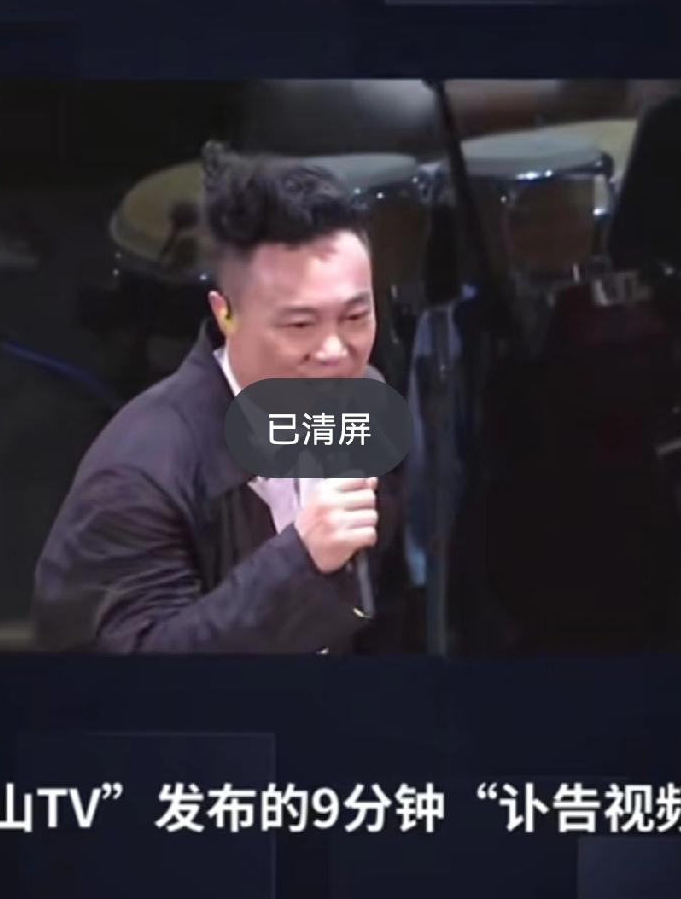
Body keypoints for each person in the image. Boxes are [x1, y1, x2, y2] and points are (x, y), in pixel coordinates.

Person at [33, 143, 408, 653]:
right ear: (225, 312)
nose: (335, 351)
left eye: (355, 317)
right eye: (300, 325)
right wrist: (298, 560)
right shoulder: (139, 474)